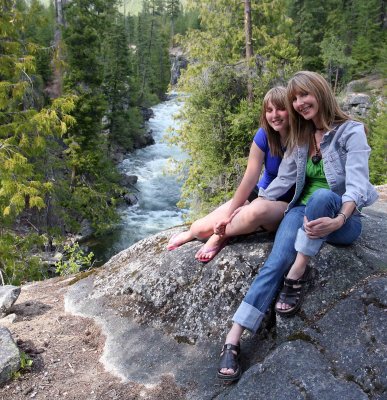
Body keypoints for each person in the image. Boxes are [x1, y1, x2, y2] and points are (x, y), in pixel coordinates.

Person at [217, 71, 378, 383]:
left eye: (305, 95)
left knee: (320, 196)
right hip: (301, 213)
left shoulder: (351, 131)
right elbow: (283, 181)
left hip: (343, 219)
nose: (300, 103)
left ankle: (299, 269)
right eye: (295, 99)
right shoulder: (302, 137)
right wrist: (247, 208)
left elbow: (358, 185)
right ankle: (233, 339)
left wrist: (340, 218)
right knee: (274, 263)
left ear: (320, 93)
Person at [167, 86, 294, 262]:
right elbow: (250, 179)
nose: (275, 115)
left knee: (255, 212)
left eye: (281, 109)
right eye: (269, 110)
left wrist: (223, 228)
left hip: (284, 202)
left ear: (291, 109)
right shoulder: (264, 135)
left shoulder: (301, 138)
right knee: (198, 230)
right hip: (260, 192)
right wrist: (228, 216)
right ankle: (196, 232)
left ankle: (221, 236)